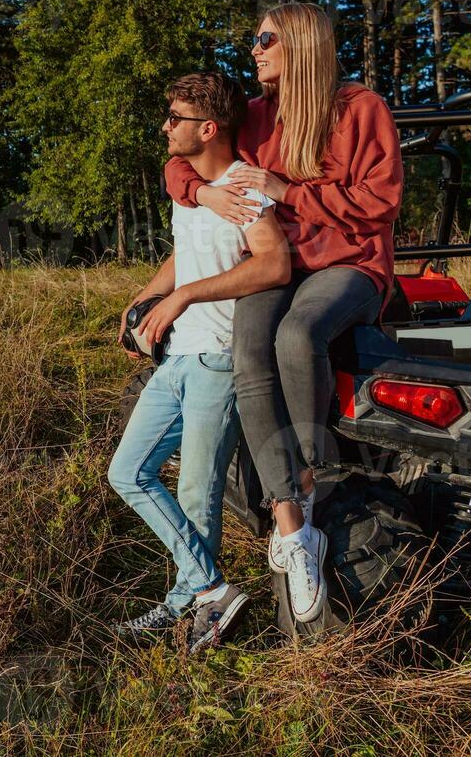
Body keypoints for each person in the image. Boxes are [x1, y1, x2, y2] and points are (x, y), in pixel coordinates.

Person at [164, 2, 404, 624]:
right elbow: (182, 150)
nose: (255, 50)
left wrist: (286, 190)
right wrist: (202, 191)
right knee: (250, 352)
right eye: (255, 40)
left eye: (266, 39)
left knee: (297, 335)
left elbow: (376, 205)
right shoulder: (254, 116)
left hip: (350, 265)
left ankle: (306, 479)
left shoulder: (359, 109)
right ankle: (291, 524)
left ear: (300, 45)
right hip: (279, 263)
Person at [109, 72, 291, 654]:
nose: (165, 127)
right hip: (178, 359)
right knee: (127, 472)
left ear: (208, 128)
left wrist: (185, 297)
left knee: (196, 495)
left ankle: (197, 611)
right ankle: (207, 589)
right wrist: (147, 295)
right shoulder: (192, 188)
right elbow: (183, 255)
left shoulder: (243, 190)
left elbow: (273, 264)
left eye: (175, 119)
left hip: (218, 360)